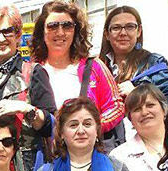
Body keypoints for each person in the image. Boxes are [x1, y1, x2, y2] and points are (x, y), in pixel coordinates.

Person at [27, 1, 125, 154]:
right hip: (49, 157)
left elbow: (116, 106)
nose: (60, 33)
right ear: (42, 31)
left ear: (76, 31)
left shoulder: (94, 66)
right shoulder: (30, 71)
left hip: (91, 155)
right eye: (53, 26)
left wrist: (90, 127)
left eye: (67, 26)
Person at [0, 4, 55, 171]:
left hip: (28, 170)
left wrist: (25, 109)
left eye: (7, 31)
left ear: (18, 35)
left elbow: (52, 124)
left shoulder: (34, 72)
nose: (0, 39)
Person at [98, 6, 168, 107]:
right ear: (106, 34)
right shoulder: (95, 69)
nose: (123, 33)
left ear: (139, 31)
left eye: (130, 27)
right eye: (116, 28)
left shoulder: (153, 63)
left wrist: (138, 95)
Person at [110, 83, 168, 171]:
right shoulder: (119, 156)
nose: (145, 112)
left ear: (164, 110)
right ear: (130, 119)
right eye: (137, 109)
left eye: (150, 105)